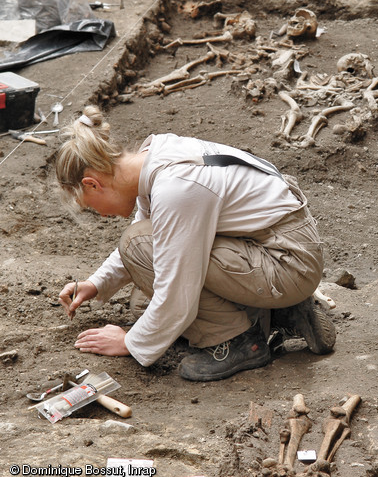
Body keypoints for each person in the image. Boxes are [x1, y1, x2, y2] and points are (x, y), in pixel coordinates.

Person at [56, 105, 335, 381]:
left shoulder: (176, 187)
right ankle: (282, 312)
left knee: (151, 277)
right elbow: (150, 232)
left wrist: (130, 342)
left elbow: (175, 288)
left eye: (90, 205)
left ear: (93, 184)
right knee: (144, 304)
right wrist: (97, 283)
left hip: (287, 262)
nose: (101, 214)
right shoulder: (154, 158)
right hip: (275, 248)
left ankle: (238, 342)